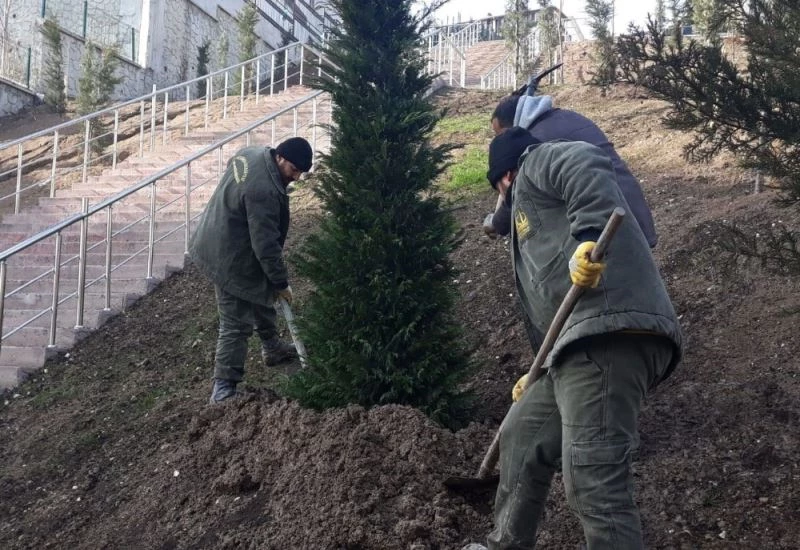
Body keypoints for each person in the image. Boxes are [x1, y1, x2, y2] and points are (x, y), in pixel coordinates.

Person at [465, 127, 683, 550]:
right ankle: (505, 543)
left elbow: (582, 159)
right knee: (522, 437)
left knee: (592, 478)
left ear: (503, 177)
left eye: (498, 189)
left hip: (607, 331)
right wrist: (539, 370)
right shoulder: (532, 222)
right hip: (572, 348)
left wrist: (589, 236)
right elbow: (552, 299)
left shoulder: (536, 164)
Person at [189, 137, 313, 404]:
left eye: (301, 172)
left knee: (261, 290)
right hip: (227, 256)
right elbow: (266, 246)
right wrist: (282, 283)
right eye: (294, 170)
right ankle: (223, 389)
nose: (297, 177)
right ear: (280, 158)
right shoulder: (264, 192)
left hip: (220, 233)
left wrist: (273, 284)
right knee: (236, 322)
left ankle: (272, 348)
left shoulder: (253, 153)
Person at [484, 92, 658, 250]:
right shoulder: (566, 117)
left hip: (605, 226)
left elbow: (519, 194)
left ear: (514, 124)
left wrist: (496, 223)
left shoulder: (538, 144)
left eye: (500, 134)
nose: (500, 141)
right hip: (631, 210)